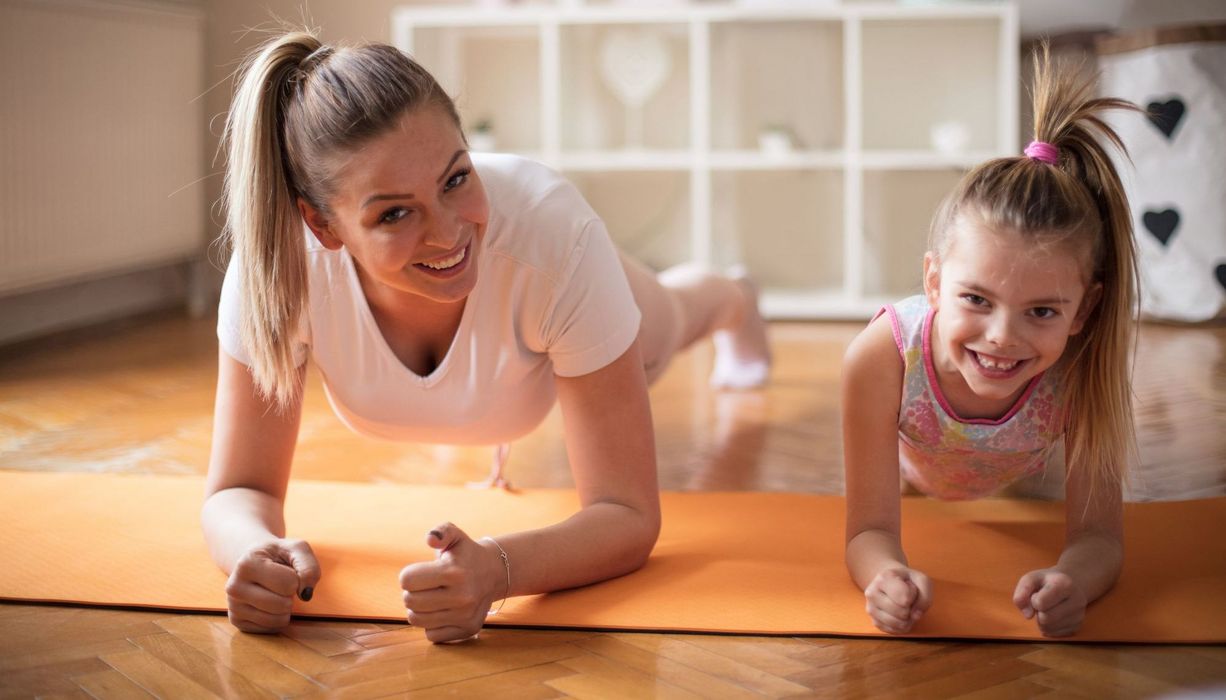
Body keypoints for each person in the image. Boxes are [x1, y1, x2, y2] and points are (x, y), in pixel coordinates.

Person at [202, 31, 771, 643]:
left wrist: (499, 570)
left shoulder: (554, 234)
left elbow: (628, 515)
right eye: (394, 213)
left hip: (568, 279)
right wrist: (252, 551)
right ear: (322, 224)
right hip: (510, 358)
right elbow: (240, 488)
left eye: (455, 179)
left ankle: (735, 296)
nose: (448, 234)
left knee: (677, 314)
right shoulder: (278, 272)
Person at [841, 46, 1141, 638]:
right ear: (932, 281)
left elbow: (1097, 537)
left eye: (1042, 311)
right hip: (912, 472)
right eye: (976, 299)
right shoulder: (881, 357)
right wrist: (886, 576)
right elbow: (866, 530)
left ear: (1085, 310)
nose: (1003, 337)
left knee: (1030, 497)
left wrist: (1074, 579)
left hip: (1026, 475)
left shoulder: (1084, 372)